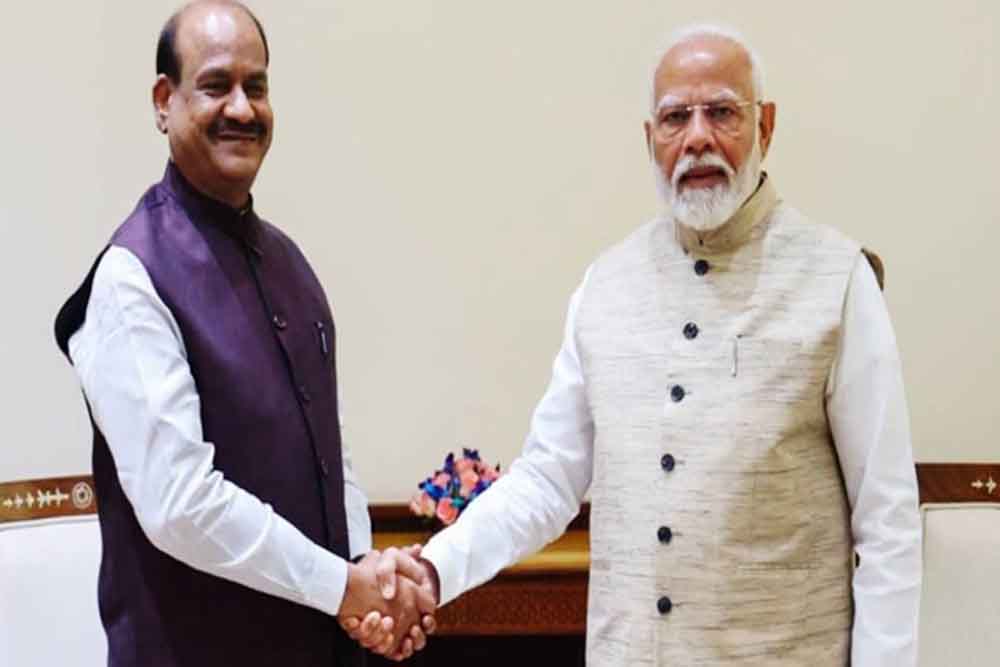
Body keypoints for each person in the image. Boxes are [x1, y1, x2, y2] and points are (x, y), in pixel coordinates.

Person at [351, 23, 922, 666]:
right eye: (676, 117)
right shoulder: (605, 285)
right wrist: (433, 571)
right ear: (651, 139)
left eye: (722, 113)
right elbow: (547, 478)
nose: (697, 137)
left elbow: (888, 524)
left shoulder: (839, 280)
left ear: (765, 127)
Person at [54, 2, 433, 664]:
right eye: (216, 85)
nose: (242, 108)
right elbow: (179, 503)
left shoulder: (291, 264)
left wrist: (362, 574)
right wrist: (344, 587)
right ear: (164, 101)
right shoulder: (130, 276)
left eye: (256, 86)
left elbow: (330, 453)